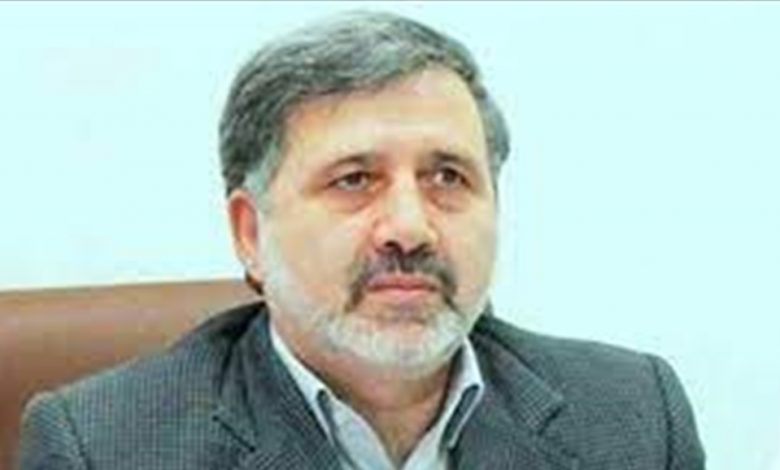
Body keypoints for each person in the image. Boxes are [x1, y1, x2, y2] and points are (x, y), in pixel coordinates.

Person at [18, 11, 705, 470]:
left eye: (447, 176)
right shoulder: (104, 449)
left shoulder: (634, 418)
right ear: (250, 233)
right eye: (354, 180)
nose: (409, 226)